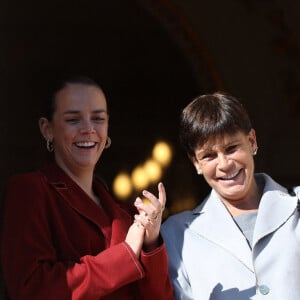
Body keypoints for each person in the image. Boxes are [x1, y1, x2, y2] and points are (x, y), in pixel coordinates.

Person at [1, 76, 173, 299]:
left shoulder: (128, 213)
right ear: (47, 129)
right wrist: (126, 255)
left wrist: (151, 243)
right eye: (73, 120)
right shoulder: (30, 191)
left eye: (98, 119)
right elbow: (32, 288)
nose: (89, 129)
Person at [161, 91, 300, 300]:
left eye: (232, 148)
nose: (224, 165)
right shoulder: (177, 234)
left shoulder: (296, 206)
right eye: (208, 156)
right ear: (196, 163)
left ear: (252, 141)